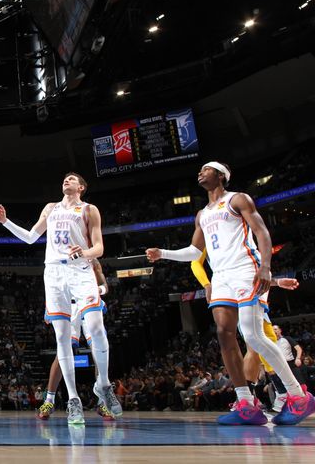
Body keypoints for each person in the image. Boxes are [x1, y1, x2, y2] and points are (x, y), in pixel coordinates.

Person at [146, 161, 315, 425]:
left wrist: (266, 267)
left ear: (221, 176)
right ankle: (246, 404)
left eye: (206, 169)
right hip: (221, 276)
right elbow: (194, 251)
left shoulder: (238, 199)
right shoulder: (202, 213)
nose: (200, 172)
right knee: (224, 335)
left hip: (245, 270)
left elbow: (262, 231)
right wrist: (163, 254)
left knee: (253, 336)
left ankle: (299, 396)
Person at [0, 172, 121, 424]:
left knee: (95, 327)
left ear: (81, 187)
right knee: (62, 339)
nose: (67, 180)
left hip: (80, 269)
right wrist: (6, 222)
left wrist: (84, 252)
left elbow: (99, 248)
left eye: (72, 179)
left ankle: (103, 384)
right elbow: (30, 237)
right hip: (53, 273)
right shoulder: (50, 208)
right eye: (65, 178)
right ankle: (73, 400)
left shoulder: (89, 209)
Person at [192, 249, 300, 412]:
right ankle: (280, 393)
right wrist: (207, 285)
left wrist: (275, 281)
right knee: (259, 343)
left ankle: (261, 397)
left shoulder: (239, 240)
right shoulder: (214, 237)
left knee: (258, 344)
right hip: (240, 292)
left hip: (247, 290)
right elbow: (194, 261)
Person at [37, 258, 116, 419]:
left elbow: (104, 286)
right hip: (68, 306)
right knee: (63, 352)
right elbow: (52, 286)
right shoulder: (58, 258)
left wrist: (97, 291)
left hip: (87, 303)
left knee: (97, 350)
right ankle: (49, 400)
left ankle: (102, 402)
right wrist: (49, 307)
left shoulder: (92, 260)